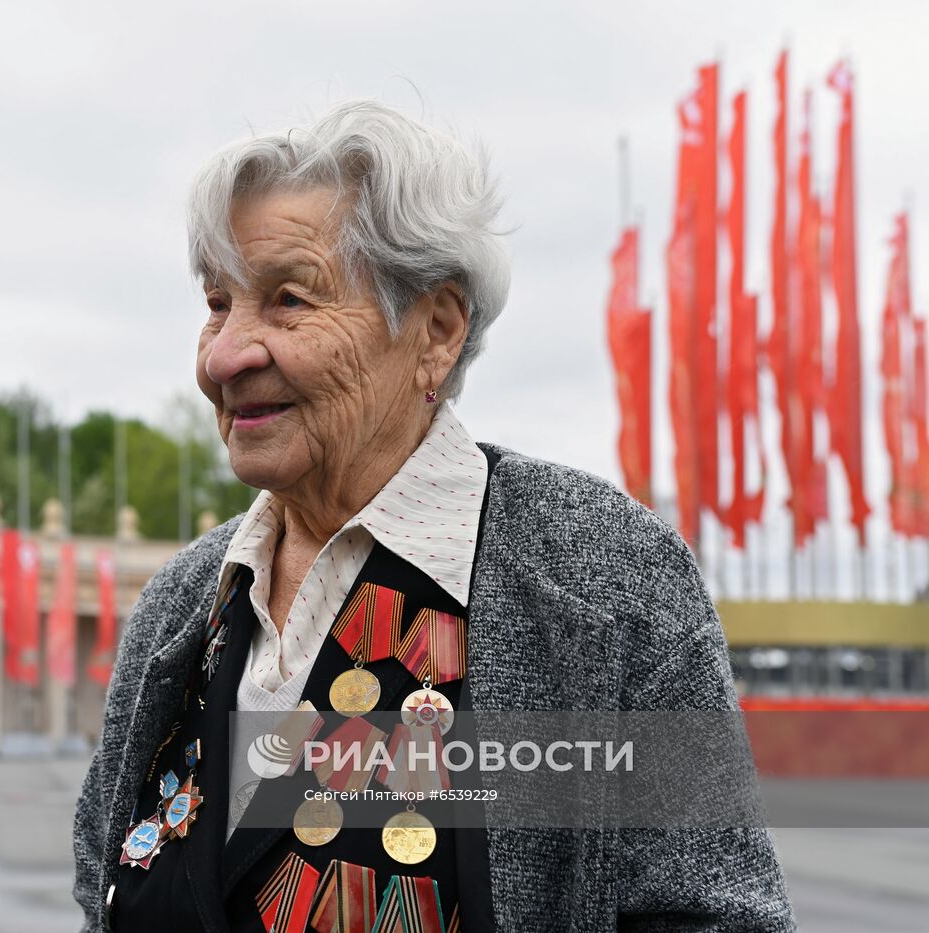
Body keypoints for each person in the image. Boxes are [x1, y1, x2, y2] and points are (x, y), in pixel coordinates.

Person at [73, 99, 794, 932]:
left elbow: (713, 916)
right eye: (216, 302)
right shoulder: (181, 601)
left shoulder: (602, 579)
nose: (226, 354)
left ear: (437, 331)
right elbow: (105, 890)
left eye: (289, 300)